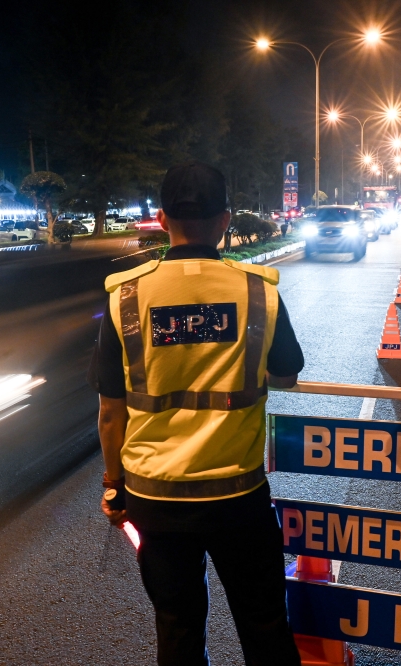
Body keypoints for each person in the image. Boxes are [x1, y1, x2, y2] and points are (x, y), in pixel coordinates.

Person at [88, 161, 304, 666]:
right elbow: (287, 373)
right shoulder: (259, 291)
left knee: (179, 629)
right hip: (238, 497)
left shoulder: (126, 295)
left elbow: (110, 412)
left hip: (154, 499)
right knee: (265, 624)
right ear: (226, 220)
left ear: (163, 219)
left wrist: (113, 485)